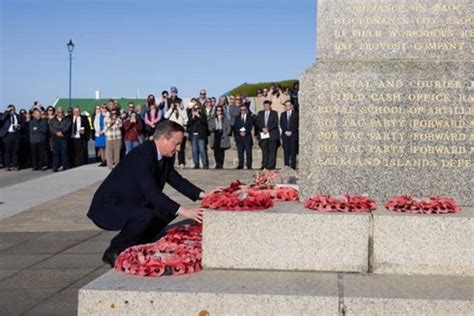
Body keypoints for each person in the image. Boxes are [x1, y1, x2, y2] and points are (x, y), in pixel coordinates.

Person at [87, 121, 210, 267]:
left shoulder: (164, 156)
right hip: (110, 206)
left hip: (132, 201)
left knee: (166, 210)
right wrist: (186, 212)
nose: (178, 149)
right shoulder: (143, 154)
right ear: (163, 138)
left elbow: (176, 179)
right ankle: (115, 250)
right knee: (146, 215)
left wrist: (205, 195)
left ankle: (140, 241)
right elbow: (151, 193)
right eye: (176, 144)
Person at [256, 100, 279, 170]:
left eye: (267, 106)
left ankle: (271, 165)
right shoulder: (260, 113)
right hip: (263, 134)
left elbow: (275, 123)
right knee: (264, 151)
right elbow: (257, 122)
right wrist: (262, 128)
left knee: (272, 151)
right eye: (265, 106)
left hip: (272, 134)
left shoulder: (274, 113)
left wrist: (268, 129)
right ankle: (264, 165)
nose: (266, 107)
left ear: (270, 106)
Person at [165, 99, 188, 168]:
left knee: (181, 149)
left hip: (180, 132)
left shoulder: (183, 111)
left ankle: (181, 163)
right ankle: (171, 163)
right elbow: (165, 116)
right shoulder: (171, 111)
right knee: (172, 148)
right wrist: (171, 109)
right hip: (172, 132)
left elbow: (185, 119)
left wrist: (179, 109)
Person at [233, 103, 254, 169]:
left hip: (247, 136)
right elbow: (235, 126)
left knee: (248, 152)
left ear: (246, 110)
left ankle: (249, 165)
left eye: (244, 110)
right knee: (240, 152)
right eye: (241, 110)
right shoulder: (237, 117)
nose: (243, 111)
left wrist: (245, 132)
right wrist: (240, 132)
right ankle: (240, 164)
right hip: (239, 137)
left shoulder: (250, 117)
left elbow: (250, 126)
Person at [0, 105, 22, 171]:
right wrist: (7, 111)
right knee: (7, 151)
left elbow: (21, 123)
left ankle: (15, 165)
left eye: (13, 109)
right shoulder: (5, 116)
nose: (12, 111)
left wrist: (19, 126)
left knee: (15, 151)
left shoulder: (17, 116)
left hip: (15, 134)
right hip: (7, 135)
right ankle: (7, 166)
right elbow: (1, 119)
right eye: (11, 110)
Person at [187, 102, 209, 169]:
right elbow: (188, 125)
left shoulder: (203, 116)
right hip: (193, 135)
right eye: (195, 109)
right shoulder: (191, 116)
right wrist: (193, 117)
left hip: (201, 135)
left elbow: (205, 122)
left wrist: (199, 116)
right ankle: (196, 163)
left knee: (202, 150)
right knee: (194, 150)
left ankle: (205, 163)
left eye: (198, 108)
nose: (196, 110)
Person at [49, 107, 71, 172]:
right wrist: (56, 132)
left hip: (63, 138)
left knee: (64, 153)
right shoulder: (52, 120)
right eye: (58, 112)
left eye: (61, 112)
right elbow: (51, 128)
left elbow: (67, 126)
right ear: (56, 113)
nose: (60, 113)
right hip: (55, 138)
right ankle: (56, 166)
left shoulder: (67, 119)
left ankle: (64, 166)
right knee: (56, 153)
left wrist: (62, 132)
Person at [280, 100, 299, 169]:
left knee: (293, 151)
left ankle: (293, 166)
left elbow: (296, 124)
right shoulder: (283, 114)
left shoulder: (296, 114)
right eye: (286, 105)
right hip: (285, 135)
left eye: (288, 105)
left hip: (293, 135)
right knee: (286, 151)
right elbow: (281, 124)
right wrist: (285, 131)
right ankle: (286, 165)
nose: (287, 107)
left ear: (291, 106)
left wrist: (291, 131)